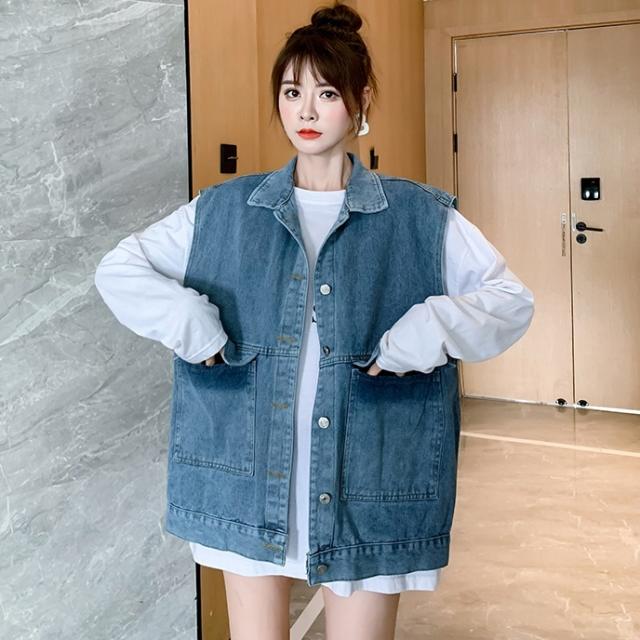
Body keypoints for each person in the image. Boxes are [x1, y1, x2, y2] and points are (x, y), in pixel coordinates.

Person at [94, 2, 535, 639]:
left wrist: (426, 331)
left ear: (361, 101)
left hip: (371, 482)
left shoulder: (418, 215)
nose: (305, 111)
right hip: (244, 476)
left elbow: (509, 299)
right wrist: (191, 322)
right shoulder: (223, 210)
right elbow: (119, 268)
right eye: (291, 92)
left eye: (326, 93)